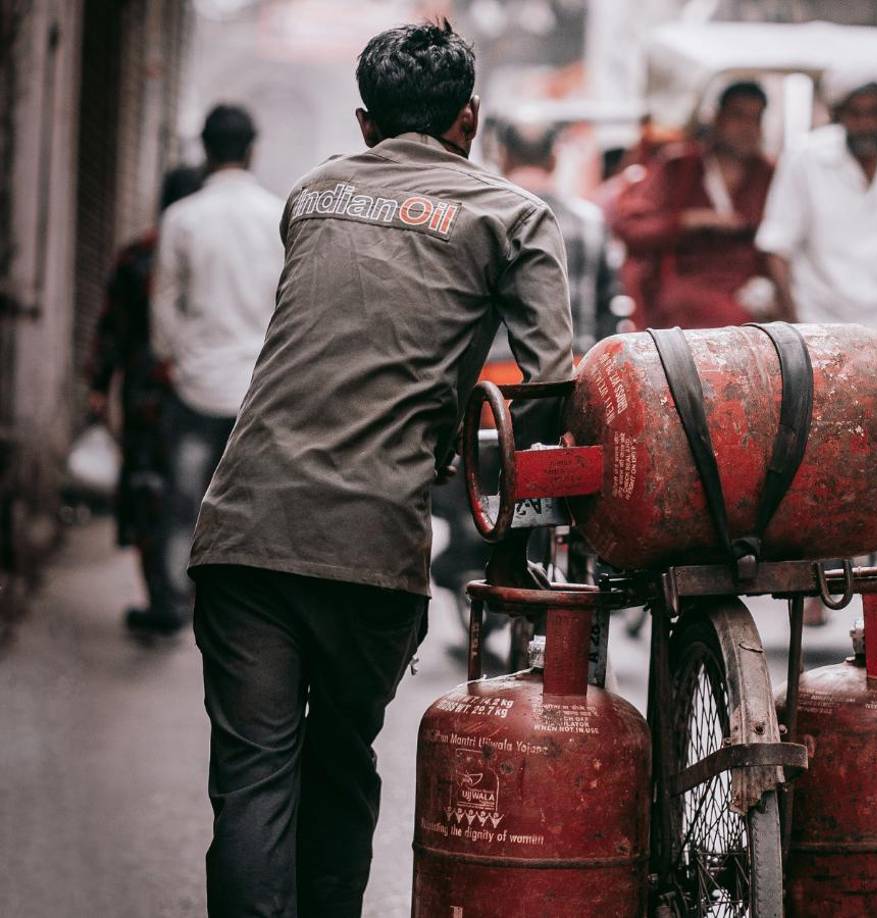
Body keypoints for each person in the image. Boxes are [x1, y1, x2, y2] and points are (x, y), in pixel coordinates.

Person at [187, 21, 573, 917]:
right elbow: (550, 383)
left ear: (366, 125)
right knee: (339, 761)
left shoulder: (313, 193)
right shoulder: (510, 216)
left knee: (250, 779)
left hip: (241, 525)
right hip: (369, 539)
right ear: (470, 117)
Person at [139, 105, 282, 637]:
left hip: (195, 383)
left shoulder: (182, 217)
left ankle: (176, 603)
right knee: (251, 507)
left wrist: (175, 357)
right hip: (256, 389)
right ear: (251, 148)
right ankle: (243, 610)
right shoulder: (277, 214)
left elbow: (164, 305)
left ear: (204, 149)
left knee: (183, 502)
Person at [756, 66, 877, 357]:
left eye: (874, 113)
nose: (866, 124)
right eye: (855, 114)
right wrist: (794, 331)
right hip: (819, 326)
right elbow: (777, 247)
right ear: (838, 116)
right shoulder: (804, 158)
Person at [87, 165, 202, 630]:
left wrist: (98, 386)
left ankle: (160, 596)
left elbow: (111, 328)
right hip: (196, 394)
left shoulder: (137, 254)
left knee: (146, 489)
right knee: (193, 494)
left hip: (144, 397)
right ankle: (187, 593)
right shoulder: (205, 254)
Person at [611, 81, 775, 329]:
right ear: (717, 118)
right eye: (739, 116)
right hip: (684, 303)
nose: (747, 128)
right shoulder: (679, 167)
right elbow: (632, 229)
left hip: (751, 297)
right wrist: (688, 221)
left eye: (756, 119)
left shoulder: (768, 174)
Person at [497, 119, 619, 351]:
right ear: (553, 160)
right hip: (572, 368)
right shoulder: (590, 221)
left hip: (494, 374)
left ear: (504, 158)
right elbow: (609, 305)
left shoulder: (483, 217)